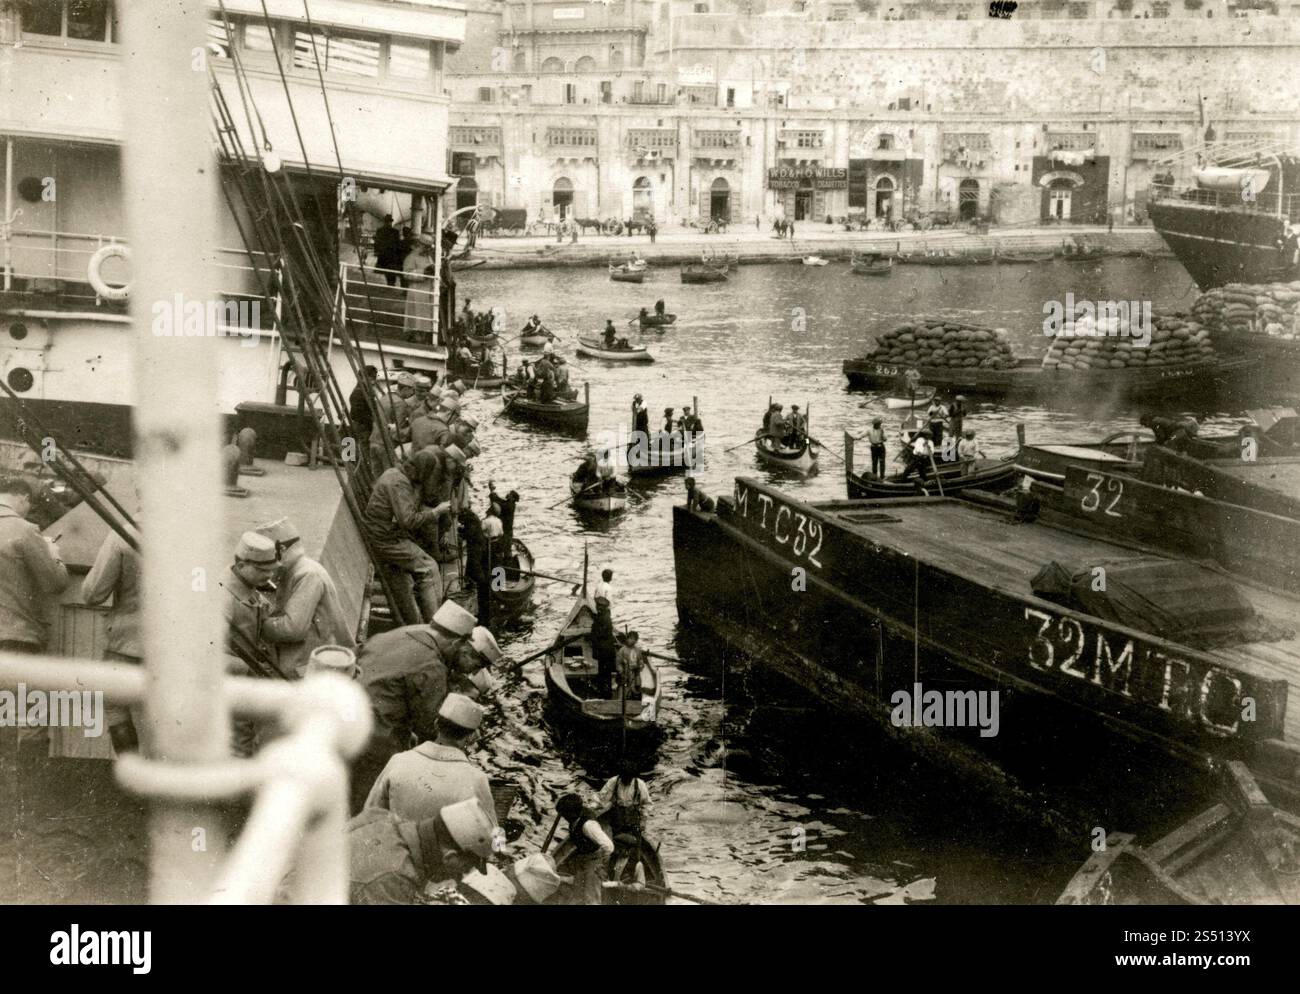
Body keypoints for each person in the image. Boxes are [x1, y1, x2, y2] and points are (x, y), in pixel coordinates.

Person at [350, 600, 477, 813]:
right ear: (456, 643)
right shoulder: (431, 665)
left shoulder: (400, 633)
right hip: (374, 739)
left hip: (345, 714)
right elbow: (430, 727)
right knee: (371, 805)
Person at [363, 692, 497, 827]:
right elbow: (490, 835)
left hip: (395, 845)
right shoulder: (475, 779)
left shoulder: (399, 761)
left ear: (436, 724)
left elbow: (369, 815)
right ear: (471, 737)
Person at [254, 517, 354, 680]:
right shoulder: (296, 570)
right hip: (310, 658)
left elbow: (292, 629)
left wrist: (259, 624)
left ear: (281, 551)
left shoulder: (307, 574)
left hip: (311, 667)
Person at [348, 797, 496, 905]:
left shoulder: (384, 817)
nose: (461, 876)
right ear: (450, 857)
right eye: (465, 867)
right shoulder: (392, 877)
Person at [362, 449, 451, 624]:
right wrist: (435, 512)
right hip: (385, 539)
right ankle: (436, 623)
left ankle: (417, 624)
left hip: (383, 533)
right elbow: (408, 520)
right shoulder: (399, 484)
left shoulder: (394, 473)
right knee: (429, 568)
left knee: (404, 582)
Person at [81, 520, 141, 752]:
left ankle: (132, 772)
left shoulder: (123, 535)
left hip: (128, 643)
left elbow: (92, 594)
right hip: (176, 644)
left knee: (114, 704)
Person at [0, 477, 69, 655]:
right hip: (14, 638)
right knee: (19, 684)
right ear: (23, 497)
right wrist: (53, 552)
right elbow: (56, 583)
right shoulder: (25, 530)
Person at [554, 792, 615, 906]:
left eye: (564, 815)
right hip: (583, 859)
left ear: (571, 814)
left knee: (592, 897)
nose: (564, 818)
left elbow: (608, 846)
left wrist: (601, 865)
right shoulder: (578, 816)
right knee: (577, 893)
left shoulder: (588, 825)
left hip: (594, 861)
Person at [597, 760, 651, 837]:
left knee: (635, 839)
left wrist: (643, 820)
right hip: (617, 817)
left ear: (633, 776)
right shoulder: (613, 781)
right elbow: (600, 798)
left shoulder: (640, 784)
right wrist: (594, 807)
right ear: (620, 776)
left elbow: (647, 804)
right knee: (617, 837)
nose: (626, 781)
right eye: (624, 779)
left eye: (629, 779)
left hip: (633, 817)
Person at [349, 365, 379, 459]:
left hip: (364, 427)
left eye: (374, 378)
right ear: (363, 378)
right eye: (371, 378)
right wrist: (372, 422)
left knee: (363, 453)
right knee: (363, 453)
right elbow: (357, 414)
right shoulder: (359, 392)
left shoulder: (365, 391)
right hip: (363, 428)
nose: (373, 381)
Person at [590, 596, 618, 696]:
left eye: (598, 606)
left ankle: (604, 691)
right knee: (604, 670)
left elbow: (601, 633)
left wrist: (592, 637)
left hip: (604, 649)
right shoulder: (604, 615)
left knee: (604, 671)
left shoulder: (604, 618)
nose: (597, 607)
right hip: (605, 649)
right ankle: (604, 689)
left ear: (602, 607)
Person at [373, 214, 403, 286]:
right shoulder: (395, 231)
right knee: (391, 268)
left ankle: (390, 282)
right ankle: (391, 282)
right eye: (388, 221)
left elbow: (377, 242)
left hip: (385, 254)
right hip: (391, 254)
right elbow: (398, 243)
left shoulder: (380, 231)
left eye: (389, 221)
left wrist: (376, 251)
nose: (389, 223)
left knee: (387, 268)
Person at [614, 630, 643, 703]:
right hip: (624, 673)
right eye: (630, 638)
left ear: (636, 641)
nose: (631, 640)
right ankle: (619, 701)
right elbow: (618, 663)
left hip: (634, 672)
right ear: (627, 639)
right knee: (622, 687)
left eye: (633, 639)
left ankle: (635, 700)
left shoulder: (637, 650)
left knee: (636, 686)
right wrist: (621, 670)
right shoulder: (622, 650)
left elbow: (640, 660)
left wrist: (640, 665)